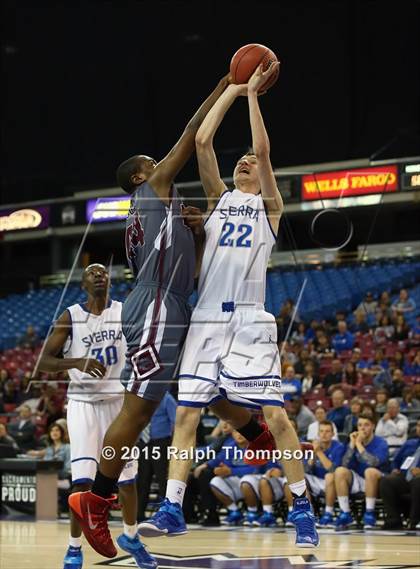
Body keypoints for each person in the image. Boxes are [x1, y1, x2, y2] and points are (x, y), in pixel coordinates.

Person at [68, 76, 273, 561]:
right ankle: (95, 498)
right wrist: (227, 84)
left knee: (195, 387)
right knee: (138, 410)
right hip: (158, 304)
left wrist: (201, 233)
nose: (160, 166)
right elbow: (193, 133)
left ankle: (254, 433)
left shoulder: (171, 211)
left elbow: (197, 263)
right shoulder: (153, 189)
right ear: (142, 176)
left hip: (175, 302)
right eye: (151, 164)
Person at [139, 63, 319, 547]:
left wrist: (255, 98)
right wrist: (234, 89)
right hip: (205, 317)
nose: (244, 162)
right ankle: (174, 507)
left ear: (264, 176)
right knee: (186, 416)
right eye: (238, 161)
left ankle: (302, 505)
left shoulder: (270, 208)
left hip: (249, 319)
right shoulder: (218, 199)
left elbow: (262, 148)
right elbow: (201, 143)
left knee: (277, 418)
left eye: (250, 163)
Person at [38, 264, 143, 569]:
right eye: (92, 273)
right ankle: (73, 548)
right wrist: (78, 361)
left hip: (117, 402)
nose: (99, 275)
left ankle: (132, 537)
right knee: (82, 484)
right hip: (83, 403)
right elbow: (44, 361)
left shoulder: (125, 311)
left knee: (127, 480)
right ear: (83, 284)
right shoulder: (71, 315)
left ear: (109, 281)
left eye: (103, 272)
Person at [333, 415, 389, 529]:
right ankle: (345, 513)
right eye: (360, 425)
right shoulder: (352, 442)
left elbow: (374, 463)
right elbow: (344, 464)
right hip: (359, 479)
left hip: (379, 480)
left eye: (366, 425)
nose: (362, 428)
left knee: (370, 471)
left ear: (373, 426)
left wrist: (358, 444)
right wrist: (352, 445)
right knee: (340, 471)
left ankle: (369, 512)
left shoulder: (381, 442)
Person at [137, 391, 176, 522]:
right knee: (142, 480)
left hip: (161, 442)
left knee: (162, 479)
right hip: (143, 442)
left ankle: (167, 514)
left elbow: (175, 421)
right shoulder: (140, 397)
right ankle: (139, 514)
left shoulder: (166, 398)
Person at [209, 429, 259, 525]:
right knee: (215, 481)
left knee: (246, 480)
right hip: (238, 481)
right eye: (236, 432)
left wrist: (231, 471)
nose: (239, 435)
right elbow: (226, 467)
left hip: (256, 483)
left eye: (242, 432)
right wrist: (220, 471)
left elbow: (255, 470)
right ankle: (234, 511)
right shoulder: (230, 447)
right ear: (232, 434)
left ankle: (253, 512)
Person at [379, 419, 420, 529]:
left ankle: (414, 521)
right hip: (406, 478)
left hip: (418, 481)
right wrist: (394, 469)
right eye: (418, 425)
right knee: (387, 481)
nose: (419, 428)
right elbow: (395, 461)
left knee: (418, 482)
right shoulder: (410, 443)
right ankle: (394, 519)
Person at [306, 421, 345, 528]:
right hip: (317, 481)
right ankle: (308, 514)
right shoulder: (312, 446)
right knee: (299, 479)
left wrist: (319, 452)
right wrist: (313, 454)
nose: (324, 434)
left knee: (330, 476)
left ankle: (328, 513)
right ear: (318, 433)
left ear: (333, 434)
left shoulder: (339, 447)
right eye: (321, 431)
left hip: (335, 483)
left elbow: (333, 470)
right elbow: (306, 469)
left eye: (327, 431)